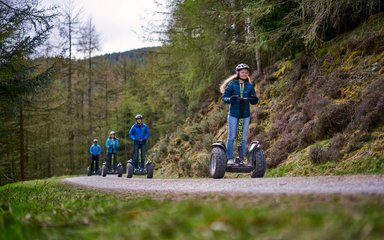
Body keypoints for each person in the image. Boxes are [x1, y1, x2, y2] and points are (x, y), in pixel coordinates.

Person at [221, 63, 259, 165]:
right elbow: (224, 98)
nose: (244, 74)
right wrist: (231, 99)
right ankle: (230, 159)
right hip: (233, 115)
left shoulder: (249, 86)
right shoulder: (232, 84)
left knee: (242, 137)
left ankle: (241, 158)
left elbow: (253, 100)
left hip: (244, 115)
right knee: (232, 136)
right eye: (242, 72)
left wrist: (255, 99)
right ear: (238, 73)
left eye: (246, 72)